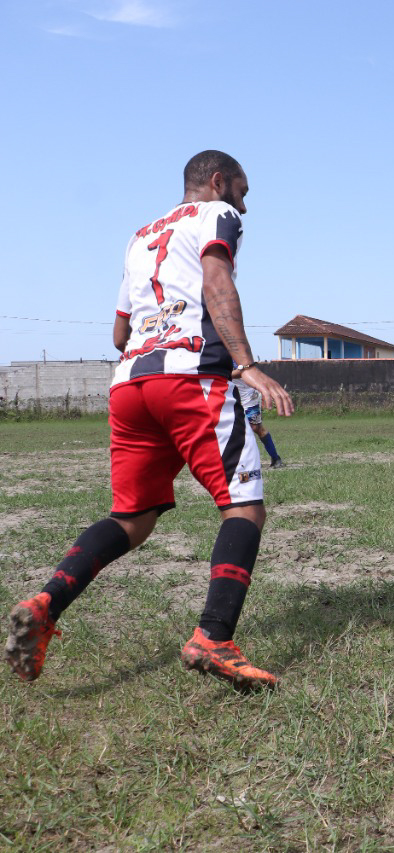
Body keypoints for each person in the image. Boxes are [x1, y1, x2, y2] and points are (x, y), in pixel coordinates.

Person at [5, 150, 294, 691]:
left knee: (132, 520)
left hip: (131, 386)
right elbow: (216, 280)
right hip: (190, 380)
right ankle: (213, 636)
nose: (245, 206)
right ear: (218, 181)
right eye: (243, 191)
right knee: (244, 507)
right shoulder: (217, 217)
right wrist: (247, 364)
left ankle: (45, 603)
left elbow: (118, 334)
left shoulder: (140, 237)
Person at [233, 366, 285, 467]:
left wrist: (222, 374)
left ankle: (275, 458)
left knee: (256, 428)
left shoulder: (234, 354)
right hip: (232, 396)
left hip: (248, 396)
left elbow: (242, 371)